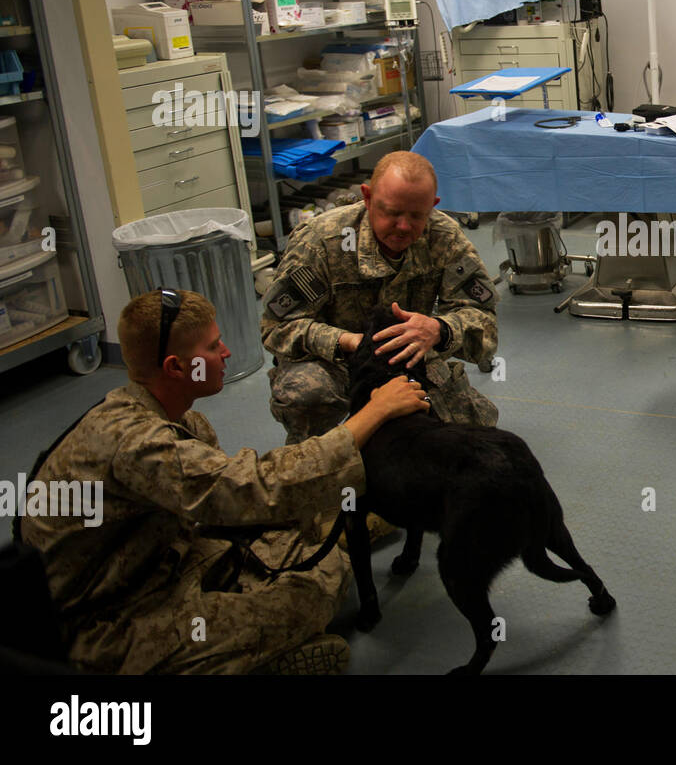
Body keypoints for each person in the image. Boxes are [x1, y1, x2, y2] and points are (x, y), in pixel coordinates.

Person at [18, 289, 430, 674]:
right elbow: (252, 488)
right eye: (213, 347)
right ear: (176, 367)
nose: (226, 352)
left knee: (327, 564)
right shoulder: (137, 443)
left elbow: (227, 502)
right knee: (303, 602)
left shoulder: (172, 417)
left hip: (159, 560)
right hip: (103, 621)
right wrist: (374, 413)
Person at [262, 150, 500, 443]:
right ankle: (319, 459)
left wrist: (439, 330)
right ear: (367, 196)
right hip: (333, 362)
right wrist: (348, 342)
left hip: (407, 356)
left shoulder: (444, 238)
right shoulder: (321, 241)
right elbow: (278, 327)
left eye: (416, 215)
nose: (403, 227)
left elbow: (484, 322)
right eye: (391, 212)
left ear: (433, 205)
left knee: (475, 434)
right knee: (307, 394)